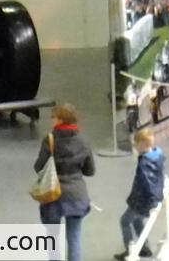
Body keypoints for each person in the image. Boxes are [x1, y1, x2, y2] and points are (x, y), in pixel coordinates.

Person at [34, 103, 97, 261]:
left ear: (61, 119)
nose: (51, 120)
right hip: (76, 196)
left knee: (53, 239)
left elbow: (38, 166)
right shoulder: (83, 141)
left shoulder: (50, 140)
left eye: (53, 117)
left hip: (53, 195)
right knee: (74, 239)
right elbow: (90, 171)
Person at [116, 129, 164, 260]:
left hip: (141, 201)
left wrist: (152, 201)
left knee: (125, 221)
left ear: (142, 144)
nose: (135, 147)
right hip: (149, 199)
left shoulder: (144, 163)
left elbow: (147, 184)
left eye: (135, 144)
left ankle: (129, 249)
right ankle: (144, 247)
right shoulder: (157, 157)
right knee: (137, 221)